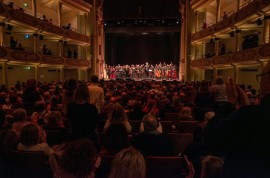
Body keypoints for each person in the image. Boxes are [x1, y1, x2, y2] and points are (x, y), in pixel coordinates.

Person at [67, 83, 99, 150]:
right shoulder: (91, 108)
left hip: (75, 138)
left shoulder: (70, 106)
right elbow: (95, 125)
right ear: (87, 94)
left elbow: (70, 122)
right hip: (89, 139)